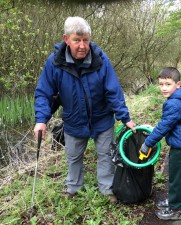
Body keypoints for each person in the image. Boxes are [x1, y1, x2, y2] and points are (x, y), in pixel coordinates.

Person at [33, 16, 136, 202]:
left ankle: (107, 189)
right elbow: (44, 93)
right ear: (66, 39)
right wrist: (41, 120)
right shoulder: (54, 62)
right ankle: (73, 187)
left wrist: (125, 117)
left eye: (86, 40)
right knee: (73, 157)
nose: (82, 45)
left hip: (102, 118)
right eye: (77, 40)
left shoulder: (101, 60)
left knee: (105, 155)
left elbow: (113, 91)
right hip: (74, 119)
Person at [140, 67, 181, 220]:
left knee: (177, 179)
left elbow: (164, 126)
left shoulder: (174, 103)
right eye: (161, 84)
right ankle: (173, 201)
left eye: (168, 84)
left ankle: (175, 210)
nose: (164, 88)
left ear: (178, 84)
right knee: (175, 177)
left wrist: (148, 143)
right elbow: (168, 123)